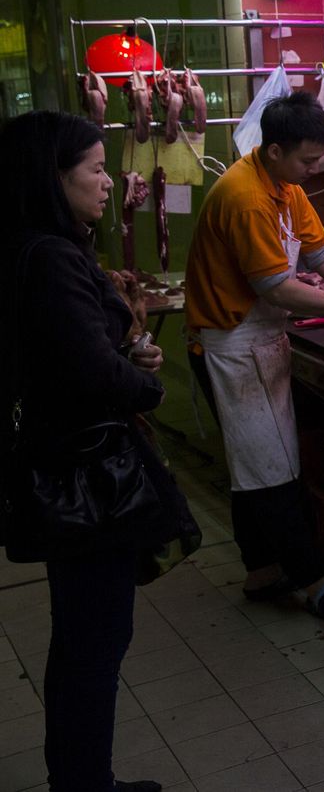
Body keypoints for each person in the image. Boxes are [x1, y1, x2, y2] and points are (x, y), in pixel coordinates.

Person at [184, 91, 324, 626]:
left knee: (255, 466)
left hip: (257, 341)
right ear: (274, 149)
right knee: (273, 471)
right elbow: (279, 289)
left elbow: (323, 258)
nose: (313, 171)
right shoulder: (246, 196)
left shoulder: (284, 186)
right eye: (307, 161)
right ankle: (317, 584)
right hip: (233, 346)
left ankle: (261, 570)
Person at [0, 111, 168, 792]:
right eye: (96, 169)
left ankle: (81, 777)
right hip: (82, 476)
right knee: (93, 642)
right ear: (53, 175)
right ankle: (83, 784)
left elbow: (67, 354)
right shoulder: (49, 255)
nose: (109, 182)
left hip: (55, 460)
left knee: (82, 639)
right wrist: (144, 381)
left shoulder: (22, 244)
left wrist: (124, 352)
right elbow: (90, 374)